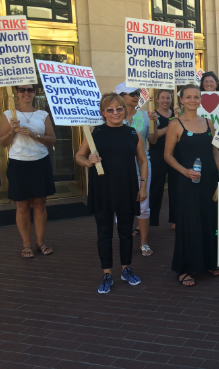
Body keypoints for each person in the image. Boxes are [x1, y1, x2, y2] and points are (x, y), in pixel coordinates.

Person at [75, 93, 148, 294]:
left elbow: (142, 161)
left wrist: (143, 185)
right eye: (110, 109)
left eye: (119, 108)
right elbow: (79, 156)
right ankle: (107, 273)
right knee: (104, 233)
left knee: (126, 232)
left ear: (124, 110)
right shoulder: (94, 133)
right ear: (103, 113)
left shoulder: (133, 133)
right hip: (102, 188)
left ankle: (126, 268)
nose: (115, 113)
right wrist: (88, 160)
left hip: (127, 187)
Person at [164, 84, 219, 286]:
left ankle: (209, 262)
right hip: (188, 181)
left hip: (209, 181)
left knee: (210, 221)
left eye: (196, 97)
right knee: (189, 224)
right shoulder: (175, 124)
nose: (193, 100)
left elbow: (215, 152)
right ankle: (184, 269)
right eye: (188, 97)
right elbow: (167, 156)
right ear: (181, 100)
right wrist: (185, 172)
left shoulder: (209, 122)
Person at [0, 84, 56, 258]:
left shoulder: (43, 115)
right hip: (19, 163)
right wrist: (11, 131)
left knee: (40, 203)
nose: (26, 93)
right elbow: (2, 142)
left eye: (30, 90)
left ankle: (40, 242)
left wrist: (33, 134)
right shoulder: (9, 115)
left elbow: (52, 140)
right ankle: (26, 245)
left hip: (40, 163)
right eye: (22, 89)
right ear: (16, 92)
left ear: (35, 93)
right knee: (22, 205)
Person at [114, 83, 158, 256]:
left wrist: (153, 123)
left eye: (138, 93)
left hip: (142, 166)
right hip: (120, 169)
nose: (136, 96)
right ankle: (125, 239)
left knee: (143, 205)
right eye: (131, 93)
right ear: (120, 96)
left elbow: (153, 141)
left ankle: (144, 243)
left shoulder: (146, 116)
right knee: (121, 205)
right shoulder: (113, 117)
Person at [149, 89, 178, 228]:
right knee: (155, 188)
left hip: (174, 155)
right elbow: (153, 138)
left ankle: (174, 220)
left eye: (168, 98)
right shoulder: (153, 115)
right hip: (157, 155)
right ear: (157, 99)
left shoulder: (176, 114)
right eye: (162, 98)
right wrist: (172, 125)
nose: (165, 100)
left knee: (175, 188)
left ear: (172, 99)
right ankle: (150, 220)